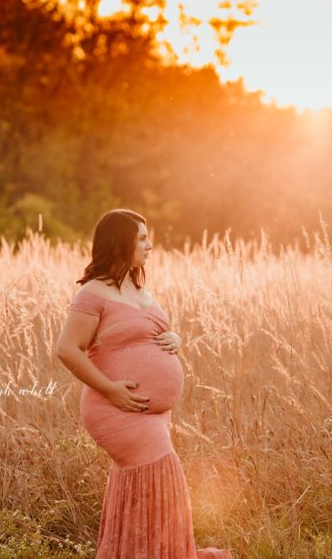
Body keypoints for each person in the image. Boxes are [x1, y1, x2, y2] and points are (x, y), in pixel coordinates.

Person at [56, 208, 232, 558]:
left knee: (145, 488)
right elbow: (66, 349)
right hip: (117, 408)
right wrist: (110, 388)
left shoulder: (137, 288)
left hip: (151, 415)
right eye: (141, 238)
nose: (149, 245)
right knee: (164, 480)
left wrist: (175, 339)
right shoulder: (94, 292)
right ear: (120, 242)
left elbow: (146, 333)